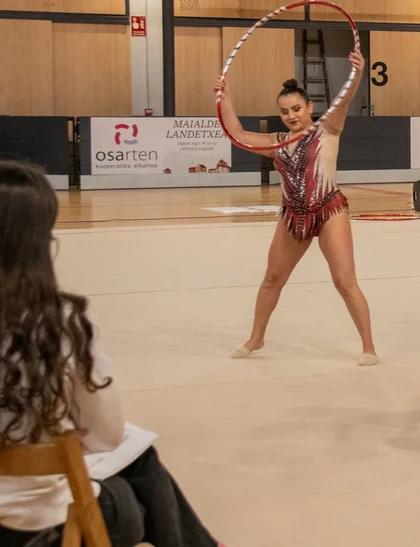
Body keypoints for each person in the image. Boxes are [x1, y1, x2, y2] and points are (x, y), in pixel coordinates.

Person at [0, 160, 226, 547]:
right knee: (137, 482)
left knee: (138, 463)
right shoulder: (58, 322)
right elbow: (107, 434)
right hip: (36, 525)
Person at [215, 51, 378, 366]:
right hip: (293, 215)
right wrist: (225, 97)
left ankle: (368, 346)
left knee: (345, 282)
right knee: (272, 278)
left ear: (310, 107)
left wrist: (357, 74)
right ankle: (256, 338)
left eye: (296, 109)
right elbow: (237, 135)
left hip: (329, 210)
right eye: (284, 111)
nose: (291, 116)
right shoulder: (276, 142)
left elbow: (344, 101)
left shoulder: (327, 129)